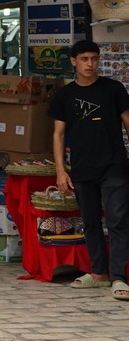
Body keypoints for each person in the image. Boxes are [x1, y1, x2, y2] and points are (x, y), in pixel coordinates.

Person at [49, 39, 129, 300]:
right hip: (82, 167)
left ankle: (119, 277)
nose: (90, 64)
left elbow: (128, 122)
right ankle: (99, 273)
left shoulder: (113, 89)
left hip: (114, 165)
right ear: (73, 61)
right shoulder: (65, 95)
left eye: (94, 58)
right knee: (91, 222)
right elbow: (58, 134)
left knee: (117, 220)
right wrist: (61, 170)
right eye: (84, 59)